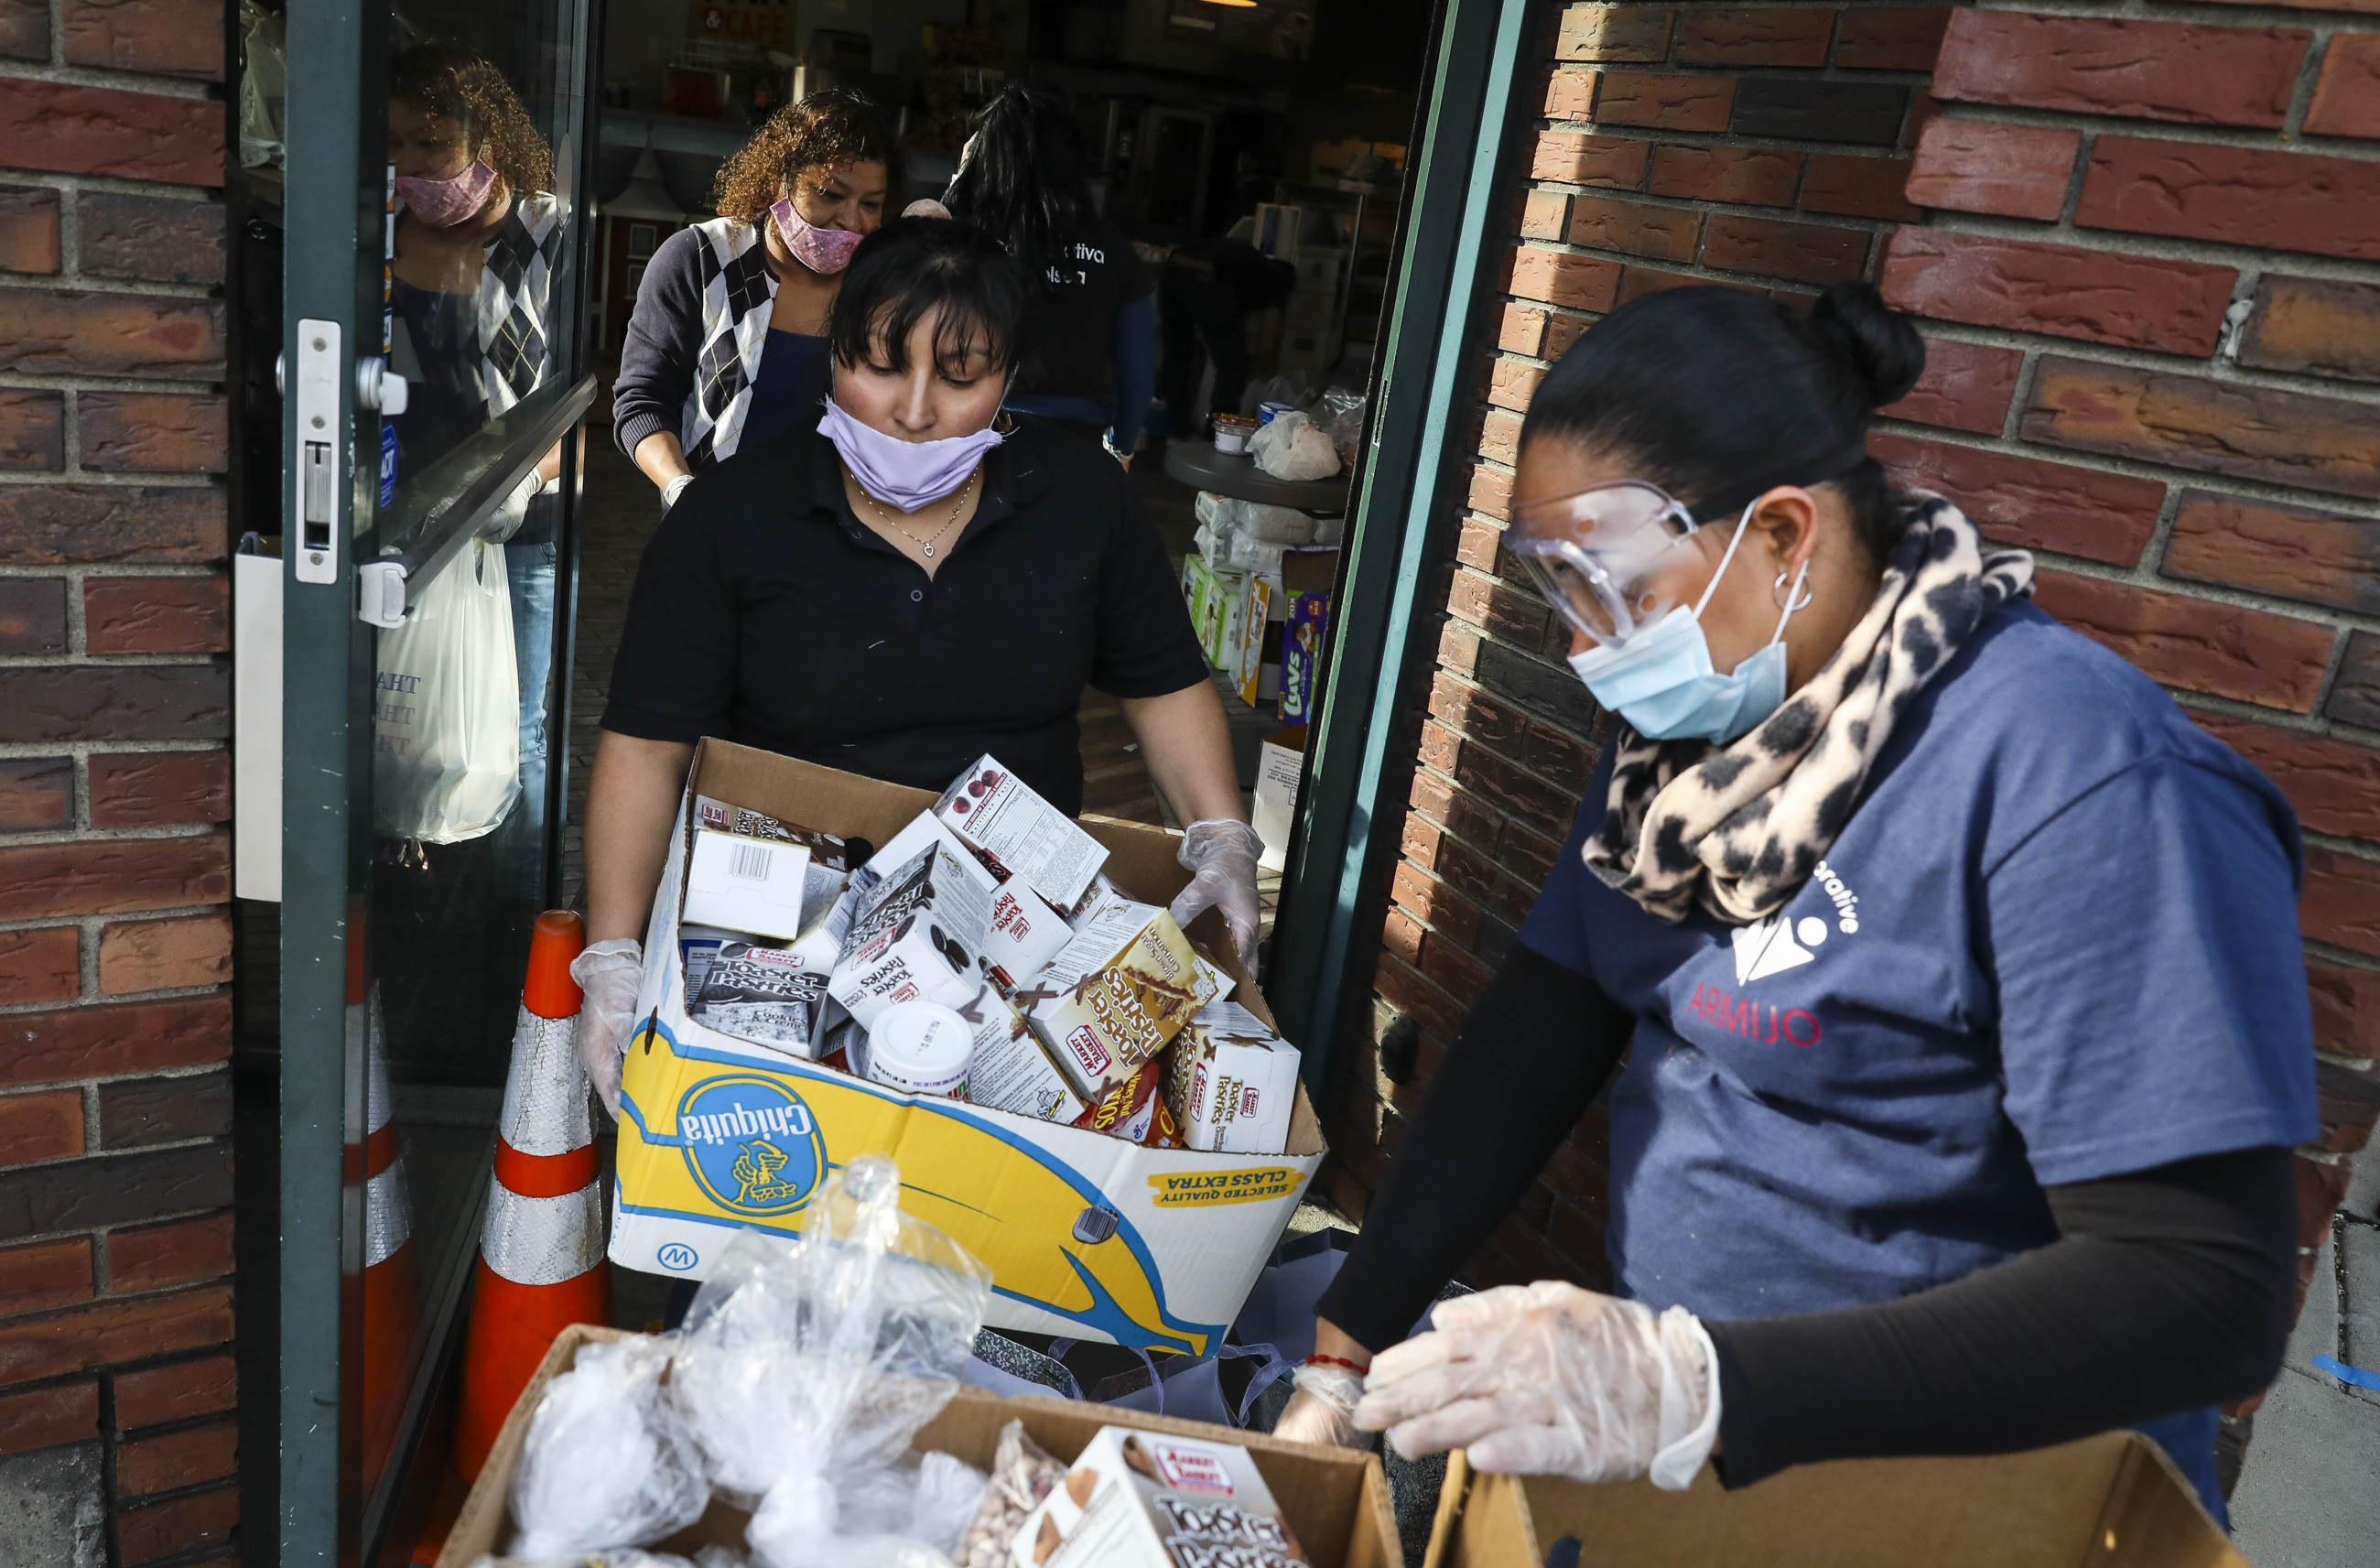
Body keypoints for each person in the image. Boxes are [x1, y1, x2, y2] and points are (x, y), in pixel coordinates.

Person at [1272, 283, 2312, 1524]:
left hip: (1974, 1504)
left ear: (1779, 536)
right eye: (1559, 593)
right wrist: (1344, 1346)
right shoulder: (1686, 748)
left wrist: (1699, 1384)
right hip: (1704, 1479)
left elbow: (2204, 1288)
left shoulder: (2079, 777)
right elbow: (1537, 1031)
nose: (1587, 649)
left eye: (1615, 590)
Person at [570, 218, 1265, 1114]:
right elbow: (646, 744)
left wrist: (1219, 833)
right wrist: (615, 955)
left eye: (961, 375)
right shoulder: (731, 518)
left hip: (1019, 932)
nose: (913, 408)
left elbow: (1161, 683)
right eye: (881, 365)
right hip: (784, 928)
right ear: (833, 357)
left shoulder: (1083, 501)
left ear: (1010, 377)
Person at [384, 43, 567, 870]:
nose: (410, 167)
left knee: (518, 730)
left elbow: (586, 403)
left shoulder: (551, 238)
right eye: (394, 145)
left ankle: (514, 917)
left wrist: (519, 481)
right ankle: (392, 878)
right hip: (389, 521)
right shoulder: (374, 228)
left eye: (432, 145)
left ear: (487, 141)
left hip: (511, 533)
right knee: (395, 717)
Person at [611, 89, 896, 506]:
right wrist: (680, 488)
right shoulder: (703, 260)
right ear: (779, 178)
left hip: (836, 538)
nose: (850, 220)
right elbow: (643, 400)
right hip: (715, 531)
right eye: (830, 195)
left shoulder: (880, 285)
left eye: (871, 204)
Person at [943, 84, 1154, 466]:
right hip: (1074, 445)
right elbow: (1137, 375)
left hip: (973, 436)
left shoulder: (963, 238)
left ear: (984, 157)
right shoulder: (1112, 247)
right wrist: (1120, 445)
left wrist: (959, 180)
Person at [1158, 233, 1294, 437]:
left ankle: (1175, 430)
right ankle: (1216, 434)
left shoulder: (1251, 261)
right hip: (1209, 280)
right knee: (1233, 366)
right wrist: (1260, 367)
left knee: (1177, 354)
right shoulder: (1276, 280)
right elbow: (1267, 340)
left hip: (1172, 271)